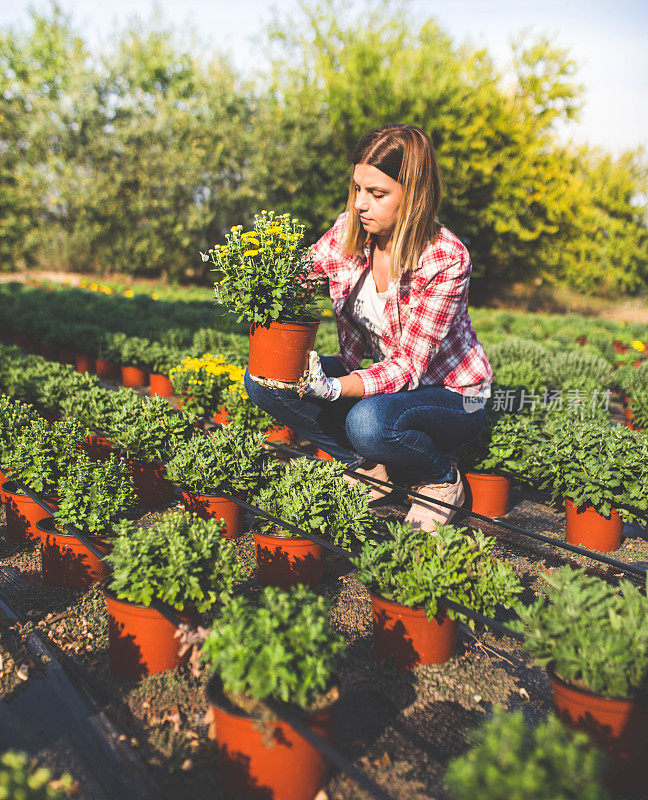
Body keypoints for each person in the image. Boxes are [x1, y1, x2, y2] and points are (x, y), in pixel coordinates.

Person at [244, 123, 492, 532]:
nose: (361, 203)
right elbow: (299, 279)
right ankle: (370, 467)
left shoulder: (446, 259)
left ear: (414, 195)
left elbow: (409, 368)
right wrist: (257, 282)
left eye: (377, 194)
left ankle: (441, 479)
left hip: (452, 394)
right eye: (358, 188)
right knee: (266, 380)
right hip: (384, 382)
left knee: (368, 422)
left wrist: (335, 388)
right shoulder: (348, 231)